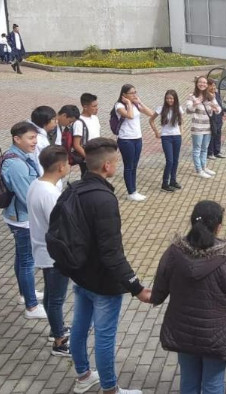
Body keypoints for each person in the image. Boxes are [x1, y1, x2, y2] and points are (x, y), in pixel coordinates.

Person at [61, 137, 151, 394]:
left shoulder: (74, 189)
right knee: (104, 336)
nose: (116, 166)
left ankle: (83, 376)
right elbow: (112, 253)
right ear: (107, 166)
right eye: (115, 162)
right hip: (103, 282)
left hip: (80, 275)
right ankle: (110, 388)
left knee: (79, 326)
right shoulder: (104, 199)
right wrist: (136, 287)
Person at [151, 201, 226, 394]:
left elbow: (158, 292)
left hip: (183, 330)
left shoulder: (174, 252)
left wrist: (148, 295)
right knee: (213, 384)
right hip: (217, 335)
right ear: (218, 226)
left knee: (188, 381)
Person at [27, 145, 71, 356]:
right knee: (56, 300)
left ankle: (57, 328)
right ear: (61, 167)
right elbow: (60, 227)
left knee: (51, 296)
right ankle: (59, 341)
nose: (70, 165)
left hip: (43, 250)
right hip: (54, 255)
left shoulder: (36, 184)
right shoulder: (50, 194)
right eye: (68, 162)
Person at [2, 122, 45, 319]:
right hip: (23, 220)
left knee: (22, 257)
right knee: (27, 261)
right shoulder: (16, 164)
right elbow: (26, 196)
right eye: (30, 138)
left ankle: (24, 294)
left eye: (35, 138)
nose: (34, 142)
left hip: (19, 217)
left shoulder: (18, 156)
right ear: (16, 139)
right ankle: (32, 307)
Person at [114, 84, 155, 201]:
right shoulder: (119, 105)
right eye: (132, 93)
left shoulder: (135, 105)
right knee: (128, 166)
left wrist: (140, 102)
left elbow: (151, 113)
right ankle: (131, 192)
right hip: (126, 139)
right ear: (124, 95)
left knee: (134, 166)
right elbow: (130, 116)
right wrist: (128, 103)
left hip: (138, 138)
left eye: (135, 92)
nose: (134, 95)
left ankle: (134, 190)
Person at [149, 90, 184, 192]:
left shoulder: (179, 108)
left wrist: (181, 131)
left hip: (177, 137)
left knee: (176, 160)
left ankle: (173, 181)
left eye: (172, 98)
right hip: (166, 137)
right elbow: (151, 120)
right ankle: (165, 183)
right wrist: (156, 132)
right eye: (168, 98)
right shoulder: (161, 109)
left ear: (175, 99)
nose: (169, 100)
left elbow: (181, 121)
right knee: (170, 160)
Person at [186, 76, 220, 178]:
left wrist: (215, 108)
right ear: (197, 84)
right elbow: (188, 110)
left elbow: (219, 109)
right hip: (197, 127)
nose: (202, 84)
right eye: (200, 82)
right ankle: (199, 170)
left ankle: (204, 167)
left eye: (204, 83)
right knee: (197, 149)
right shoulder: (192, 96)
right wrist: (195, 104)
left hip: (208, 127)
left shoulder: (210, 96)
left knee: (204, 149)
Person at [72, 93, 102, 176]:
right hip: (87, 158)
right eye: (94, 106)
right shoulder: (79, 122)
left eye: (97, 105)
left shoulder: (95, 118)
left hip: (97, 155)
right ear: (85, 107)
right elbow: (76, 145)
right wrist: (88, 158)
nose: (97, 108)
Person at [30, 106, 59, 174]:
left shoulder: (34, 133)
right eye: (54, 119)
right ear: (45, 122)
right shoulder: (39, 140)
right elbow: (39, 163)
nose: (56, 122)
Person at [207, 79, 226, 159]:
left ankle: (217, 151)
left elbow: (220, 104)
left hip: (218, 118)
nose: (213, 87)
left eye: (214, 85)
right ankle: (210, 152)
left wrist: (224, 112)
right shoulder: (206, 96)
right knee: (212, 135)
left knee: (218, 134)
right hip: (211, 118)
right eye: (211, 85)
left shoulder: (217, 94)